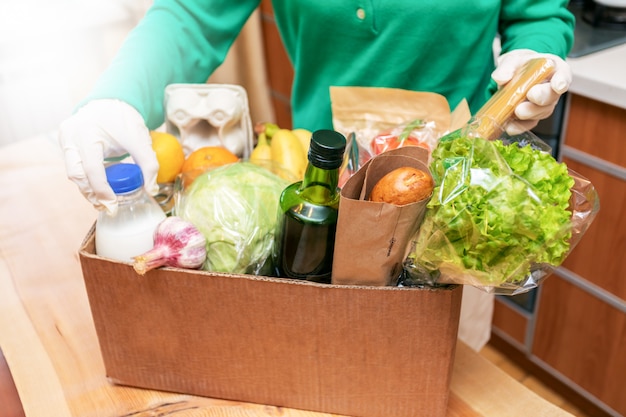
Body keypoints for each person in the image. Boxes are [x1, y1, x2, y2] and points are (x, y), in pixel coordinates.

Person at [58, 1, 575, 350]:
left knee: (434, 374)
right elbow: (193, 14)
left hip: (456, 204)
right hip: (326, 194)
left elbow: (539, 12)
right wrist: (117, 94)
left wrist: (534, 55)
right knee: (322, 366)